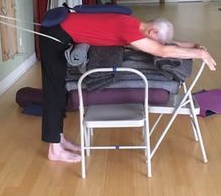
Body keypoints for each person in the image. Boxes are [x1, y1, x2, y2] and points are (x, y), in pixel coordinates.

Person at [39, 13, 216, 163]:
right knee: (53, 89)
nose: (158, 44)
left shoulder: (134, 25)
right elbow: (161, 51)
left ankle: (58, 138)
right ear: (153, 31)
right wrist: (199, 54)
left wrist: (193, 45)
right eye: (159, 40)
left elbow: (165, 45)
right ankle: (54, 149)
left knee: (59, 88)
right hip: (56, 34)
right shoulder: (129, 29)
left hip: (62, 30)